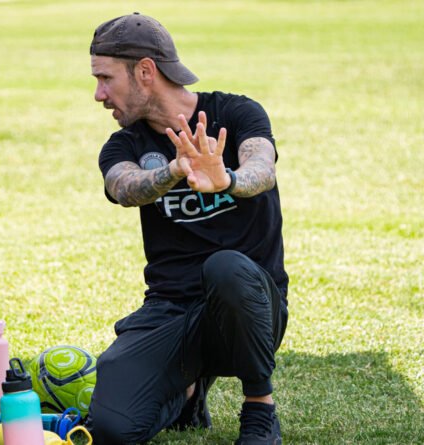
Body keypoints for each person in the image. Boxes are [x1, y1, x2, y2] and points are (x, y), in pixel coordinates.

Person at [86, 13, 289, 445]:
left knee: (227, 268)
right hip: (171, 309)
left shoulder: (236, 112)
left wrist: (227, 180)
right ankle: (188, 392)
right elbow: (124, 186)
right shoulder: (126, 143)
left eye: (106, 79)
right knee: (111, 428)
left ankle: (259, 408)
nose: (99, 94)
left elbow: (262, 168)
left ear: (145, 71)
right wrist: (174, 170)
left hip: (250, 305)